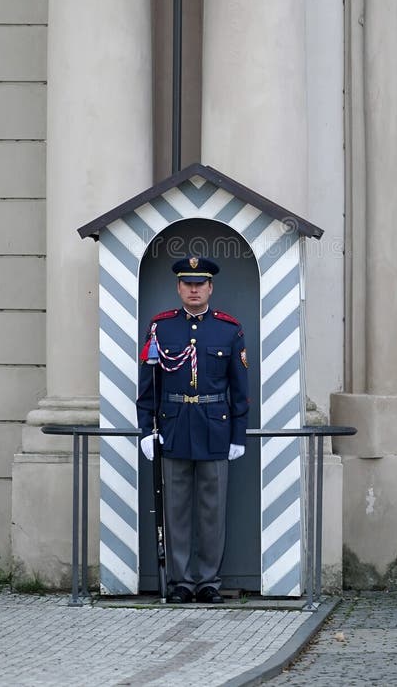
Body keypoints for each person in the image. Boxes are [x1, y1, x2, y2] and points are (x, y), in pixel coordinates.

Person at [136, 255, 250, 604]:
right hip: (173, 428)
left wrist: (238, 434)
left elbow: (240, 387)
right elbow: (148, 385)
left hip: (215, 428)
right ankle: (181, 582)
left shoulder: (229, 329)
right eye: (188, 283)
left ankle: (209, 582)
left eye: (200, 284)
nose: (194, 289)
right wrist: (146, 429)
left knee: (213, 510)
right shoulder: (161, 327)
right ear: (179, 287)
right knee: (177, 510)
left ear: (211, 287)